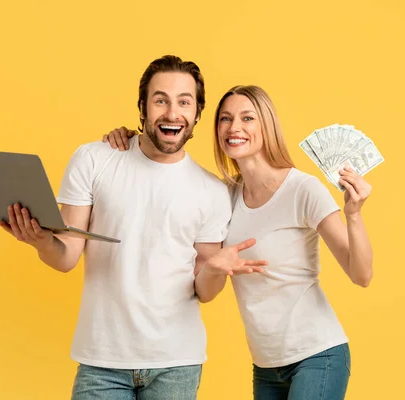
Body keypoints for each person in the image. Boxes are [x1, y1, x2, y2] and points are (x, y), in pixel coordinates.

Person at [0, 56, 267, 400]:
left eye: (184, 102)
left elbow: (206, 291)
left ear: (197, 113)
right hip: (102, 360)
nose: (172, 112)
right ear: (142, 107)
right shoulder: (94, 159)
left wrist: (214, 269)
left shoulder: (212, 191)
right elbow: (65, 257)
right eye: (160, 100)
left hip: (176, 362)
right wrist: (39, 241)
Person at [104, 84, 374, 400]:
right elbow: (169, 180)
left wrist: (353, 214)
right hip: (266, 365)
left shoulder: (303, 190)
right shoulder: (225, 196)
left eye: (248, 118)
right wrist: (133, 141)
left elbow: (362, 275)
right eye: (226, 119)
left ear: (267, 126)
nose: (234, 128)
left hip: (318, 355)